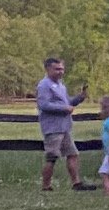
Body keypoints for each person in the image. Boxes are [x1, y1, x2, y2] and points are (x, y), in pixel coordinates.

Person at [36, 56, 90, 192]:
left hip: (65, 127)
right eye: (57, 69)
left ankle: (76, 183)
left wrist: (79, 98)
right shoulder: (44, 85)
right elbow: (43, 105)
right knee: (52, 157)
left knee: (73, 154)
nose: (60, 72)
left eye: (62, 69)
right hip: (53, 128)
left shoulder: (61, 85)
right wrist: (64, 109)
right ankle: (46, 186)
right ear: (48, 69)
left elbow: (67, 103)